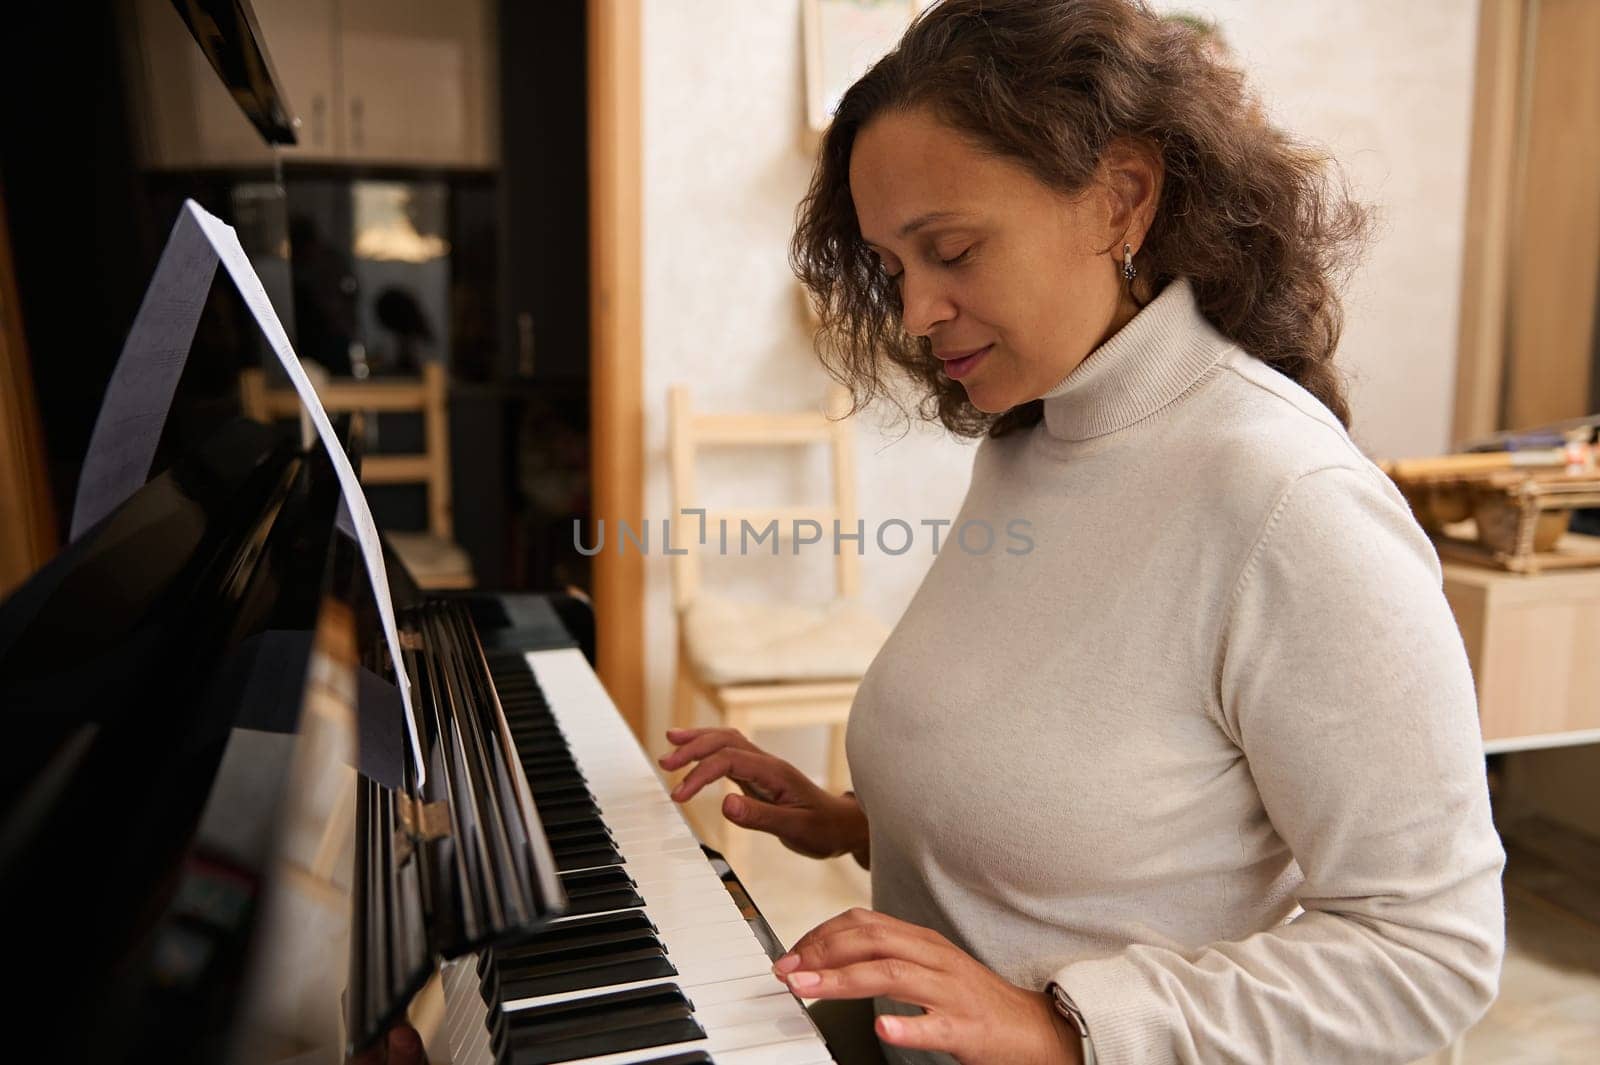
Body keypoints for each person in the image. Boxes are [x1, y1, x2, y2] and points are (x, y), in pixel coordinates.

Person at [660, 1, 1505, 1062]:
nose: (917, 309)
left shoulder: (1287, 499)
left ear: (1122, 196)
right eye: (893, 266)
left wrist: (1063, 1028)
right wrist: (856, 821)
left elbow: (1432, 951)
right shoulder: (1029, 443)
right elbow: (1092, 809)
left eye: (952, 249)